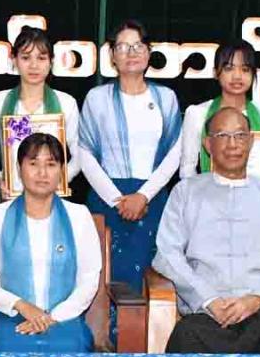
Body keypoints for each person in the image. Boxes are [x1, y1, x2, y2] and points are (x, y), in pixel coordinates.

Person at [153, 107, 260, 353]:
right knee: (186, 334)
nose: (232, 144)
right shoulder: (185, 193)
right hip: (204, 316)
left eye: (240, 135)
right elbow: (167, 255)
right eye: (222, 136)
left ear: (250, 142)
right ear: (208, 144)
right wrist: (208, 299)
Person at [0, 133, 100, 352]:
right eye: (34, 163)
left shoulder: (79, 216)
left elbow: (89, 280)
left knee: (71, 347)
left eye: (51, 164)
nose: (42, 173)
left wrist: (51, 317)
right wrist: (21, 305)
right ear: (19, 168)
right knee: (9, 347)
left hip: (65, 318)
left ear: (61, 171)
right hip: (12, 317)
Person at [78, 19, 183, 285]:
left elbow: (174, 153)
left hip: (152, 200)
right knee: (103, 280)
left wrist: (143, 196)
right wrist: (117, 200)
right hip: (107, 199)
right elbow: (85, 154)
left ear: (148, 52)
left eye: (138, 46)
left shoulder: (166, 98)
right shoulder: (97, 98)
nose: (131, 53)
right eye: (123, 47)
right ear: (112, 56)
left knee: (152, 282)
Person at [0, 26, 83, 199]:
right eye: (26, 57)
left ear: (51, 61)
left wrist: (61, 179)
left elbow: (79, 154)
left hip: (53, 197)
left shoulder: (66, 103)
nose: (34, 65)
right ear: (14, 60)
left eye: (41, 58)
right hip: (11, 197)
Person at [178, 42, 260, 180]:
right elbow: (187, 168)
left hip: (257, 193)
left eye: (245, 69)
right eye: (229, 68)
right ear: (215, 73)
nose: (237, 76)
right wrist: (200, 192)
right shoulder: (197, 114)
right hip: (210, 192)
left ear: (254, 73)